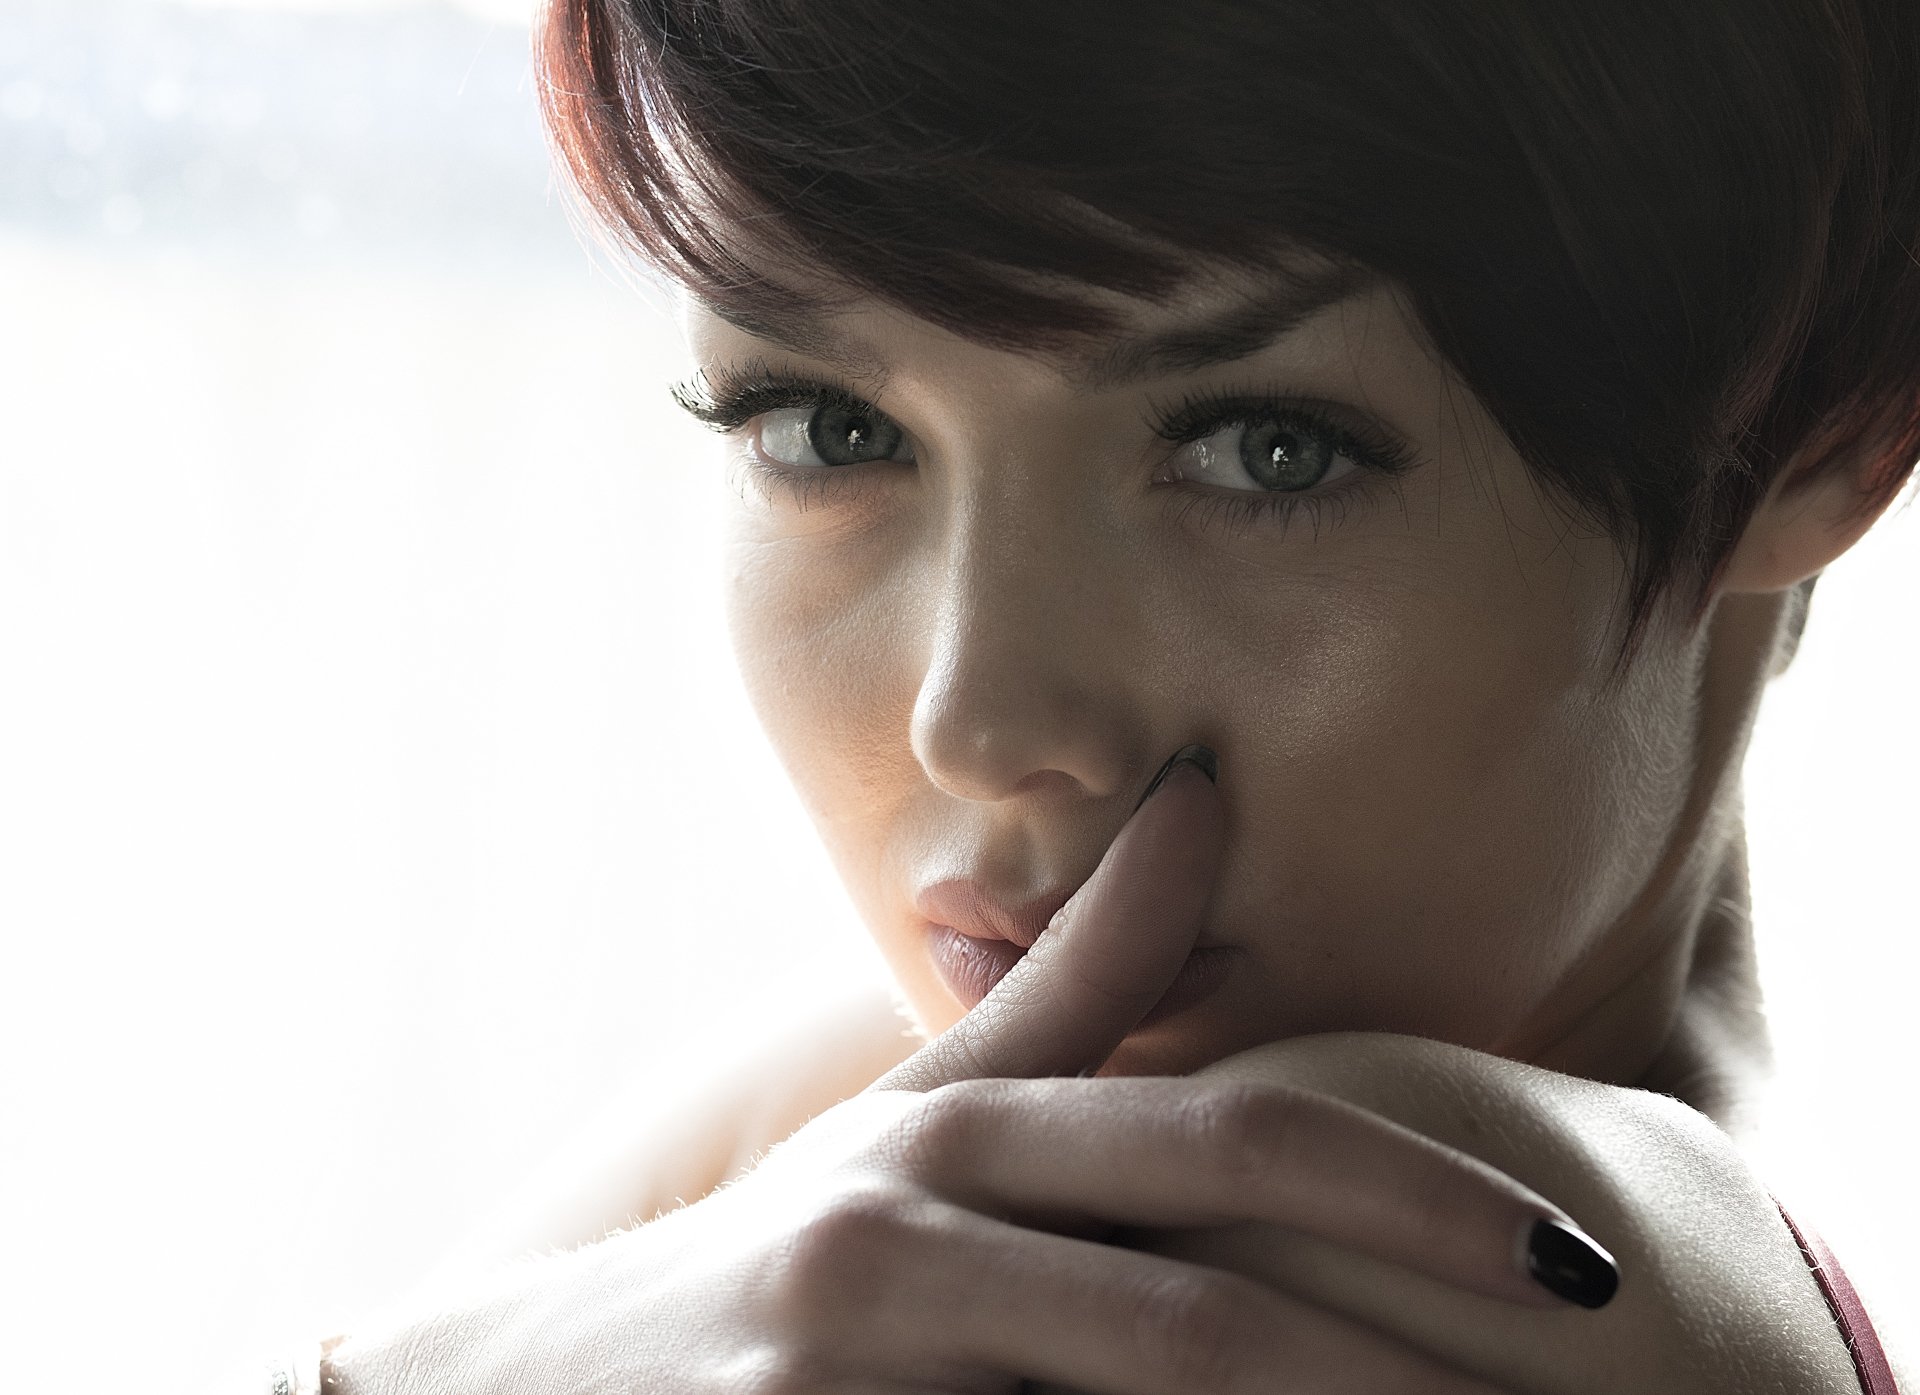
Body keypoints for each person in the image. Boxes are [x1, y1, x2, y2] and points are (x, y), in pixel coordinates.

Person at [303, 0, 1918, 1390]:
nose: (976, 722)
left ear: (1824, 426)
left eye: (1265, 451)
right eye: (826, 429)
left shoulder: (1307, 1238)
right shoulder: (887, 1129)